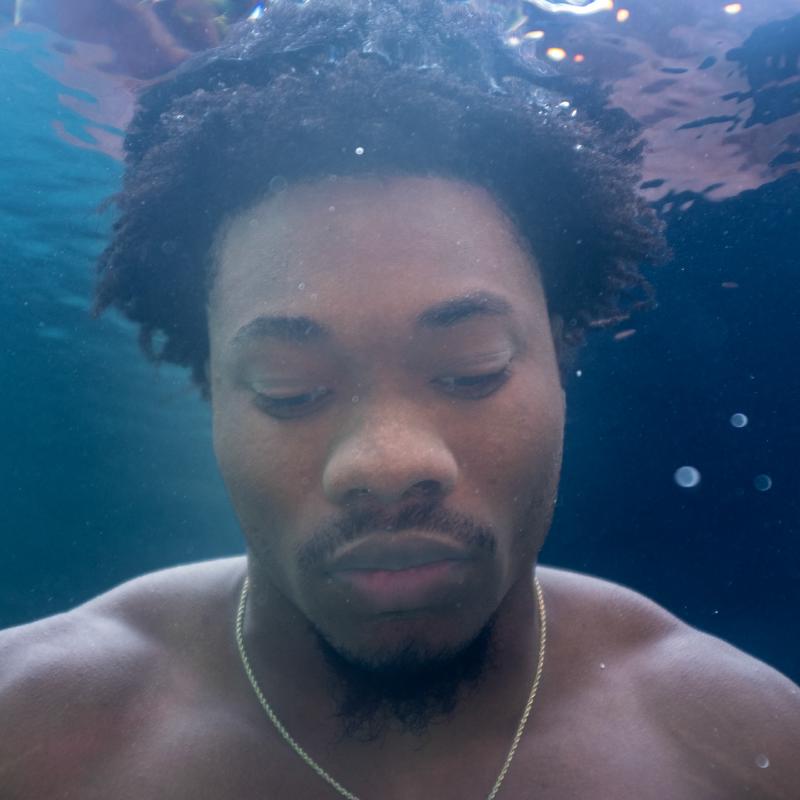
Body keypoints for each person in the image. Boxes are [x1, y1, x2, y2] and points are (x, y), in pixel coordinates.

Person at [2, 1, 799, 797]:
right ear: (213, 390)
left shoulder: (750, 748)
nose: (387, 461)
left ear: (561, 356)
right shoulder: (26, 732)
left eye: (471, 368)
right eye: (292, 388)